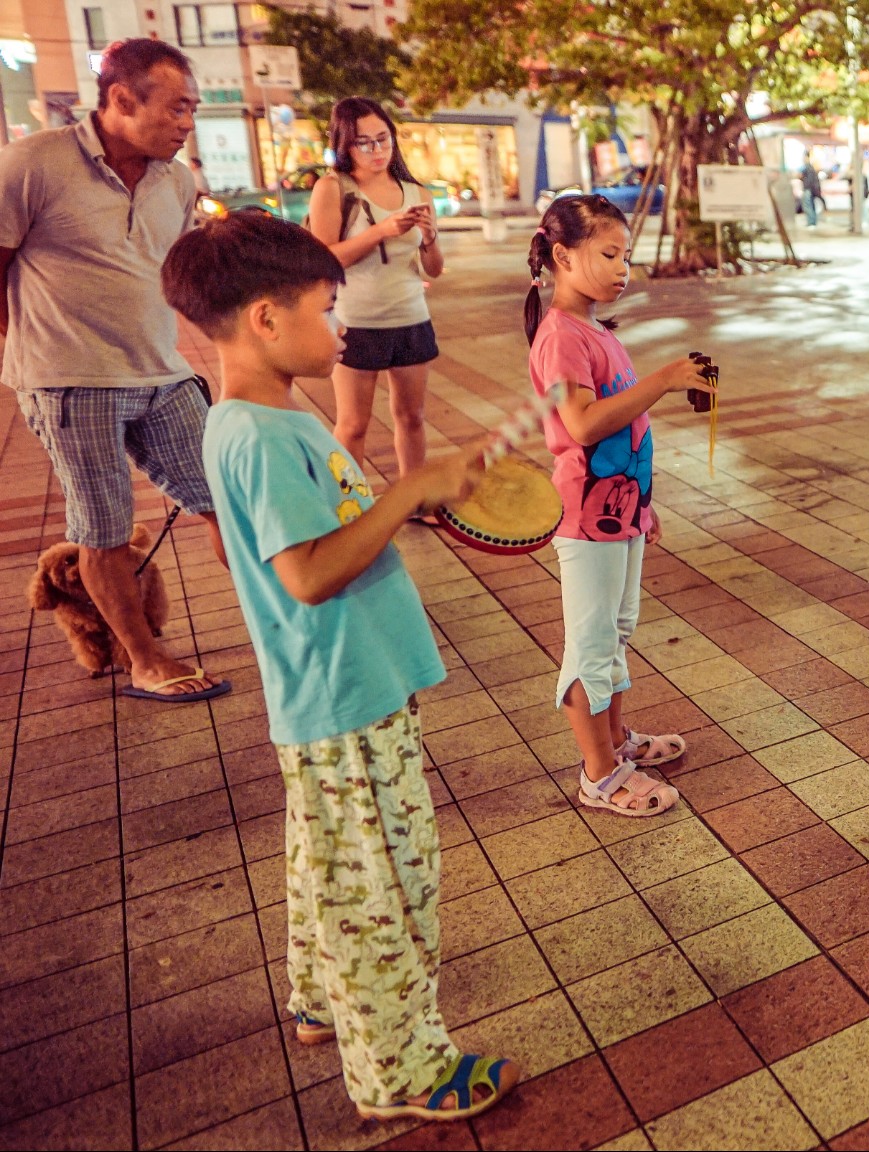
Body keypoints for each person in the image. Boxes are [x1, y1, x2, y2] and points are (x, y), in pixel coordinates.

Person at [163, 209, 517, 1123]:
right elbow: (309, 574)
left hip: (342, 688)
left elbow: (329, 532)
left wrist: (417, 502)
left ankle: (324, 998)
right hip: (341, 693)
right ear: (266, 320)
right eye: (328, 306)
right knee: (387, 880)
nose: (344, 327)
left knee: (331, 860)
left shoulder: (268, 417)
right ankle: (400, 1071)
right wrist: (404, 490)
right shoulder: (260, 435)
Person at [0, 38, 230, 704]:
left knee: (225, 499)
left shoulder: (177, 179)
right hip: (69, 383)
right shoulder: (30, 164)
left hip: (162, 372)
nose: (188, 122)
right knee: (101, 526)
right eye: (177, 107)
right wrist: (40, 354)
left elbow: (171, 272)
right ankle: (143, 656)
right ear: (122, 100)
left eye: (193, 108)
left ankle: (285, 619)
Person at [526, 195, 712, 816]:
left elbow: (625, 430)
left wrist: (643, 505)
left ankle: (615, 742)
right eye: (608, 254)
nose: (621, 267)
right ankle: (599, 774)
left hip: (621, 510)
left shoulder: (596, 331)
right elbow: (580, 426)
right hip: (585, 516)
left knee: (615, 633)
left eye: (625, 255)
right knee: (590, 644)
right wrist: (661, 380)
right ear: (562, 255)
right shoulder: (560, 339)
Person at [307, 97, 443, 485]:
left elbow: (434, 268)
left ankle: (412, 499)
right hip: (356, 322)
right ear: (344, 144)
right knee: (352, 426)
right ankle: (350, 507)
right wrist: (382, 231)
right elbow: (325, 260)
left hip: (411, 317)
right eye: (364, 142)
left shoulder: (416, 192)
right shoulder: (333, 188)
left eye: (383, 139)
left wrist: (430, 239)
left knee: (412, 417)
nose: (377, 150)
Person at [800, 155, 824, 228]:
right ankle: (812, 222)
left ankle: (811, 222)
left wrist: (807, 187)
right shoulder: (810, 168)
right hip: (811, 189)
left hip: (808, 189)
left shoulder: (808, 168)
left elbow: (809, 180)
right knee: (811, 206)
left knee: (808, 206)